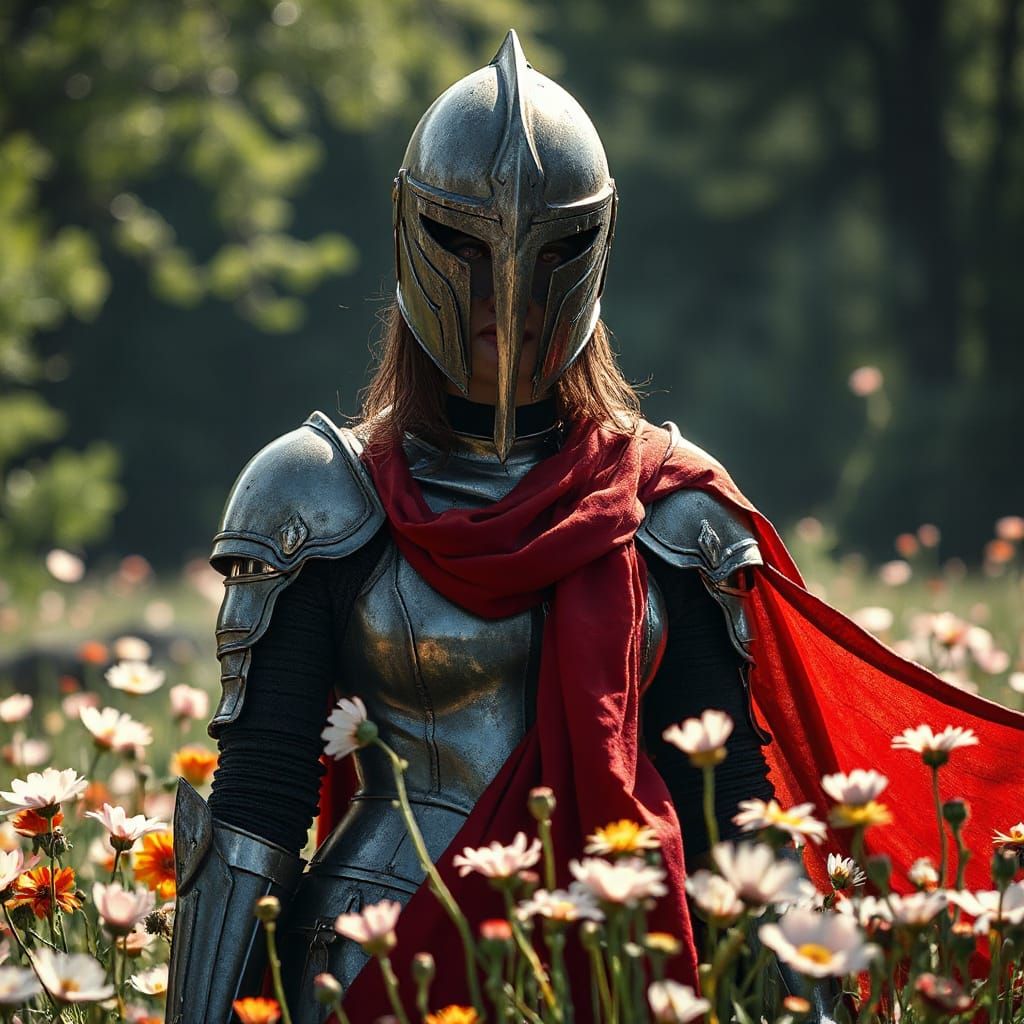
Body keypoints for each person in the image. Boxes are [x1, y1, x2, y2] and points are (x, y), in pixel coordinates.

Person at [165, 30, 1024, 1024]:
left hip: (617, 961)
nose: (510, 299)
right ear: (412, 239)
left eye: (550, 252)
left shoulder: (669, 506)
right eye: (468, 251)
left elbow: (731, 821)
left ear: (596, 250)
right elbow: (258, 805)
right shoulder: (316, 494)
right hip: (378, 963)